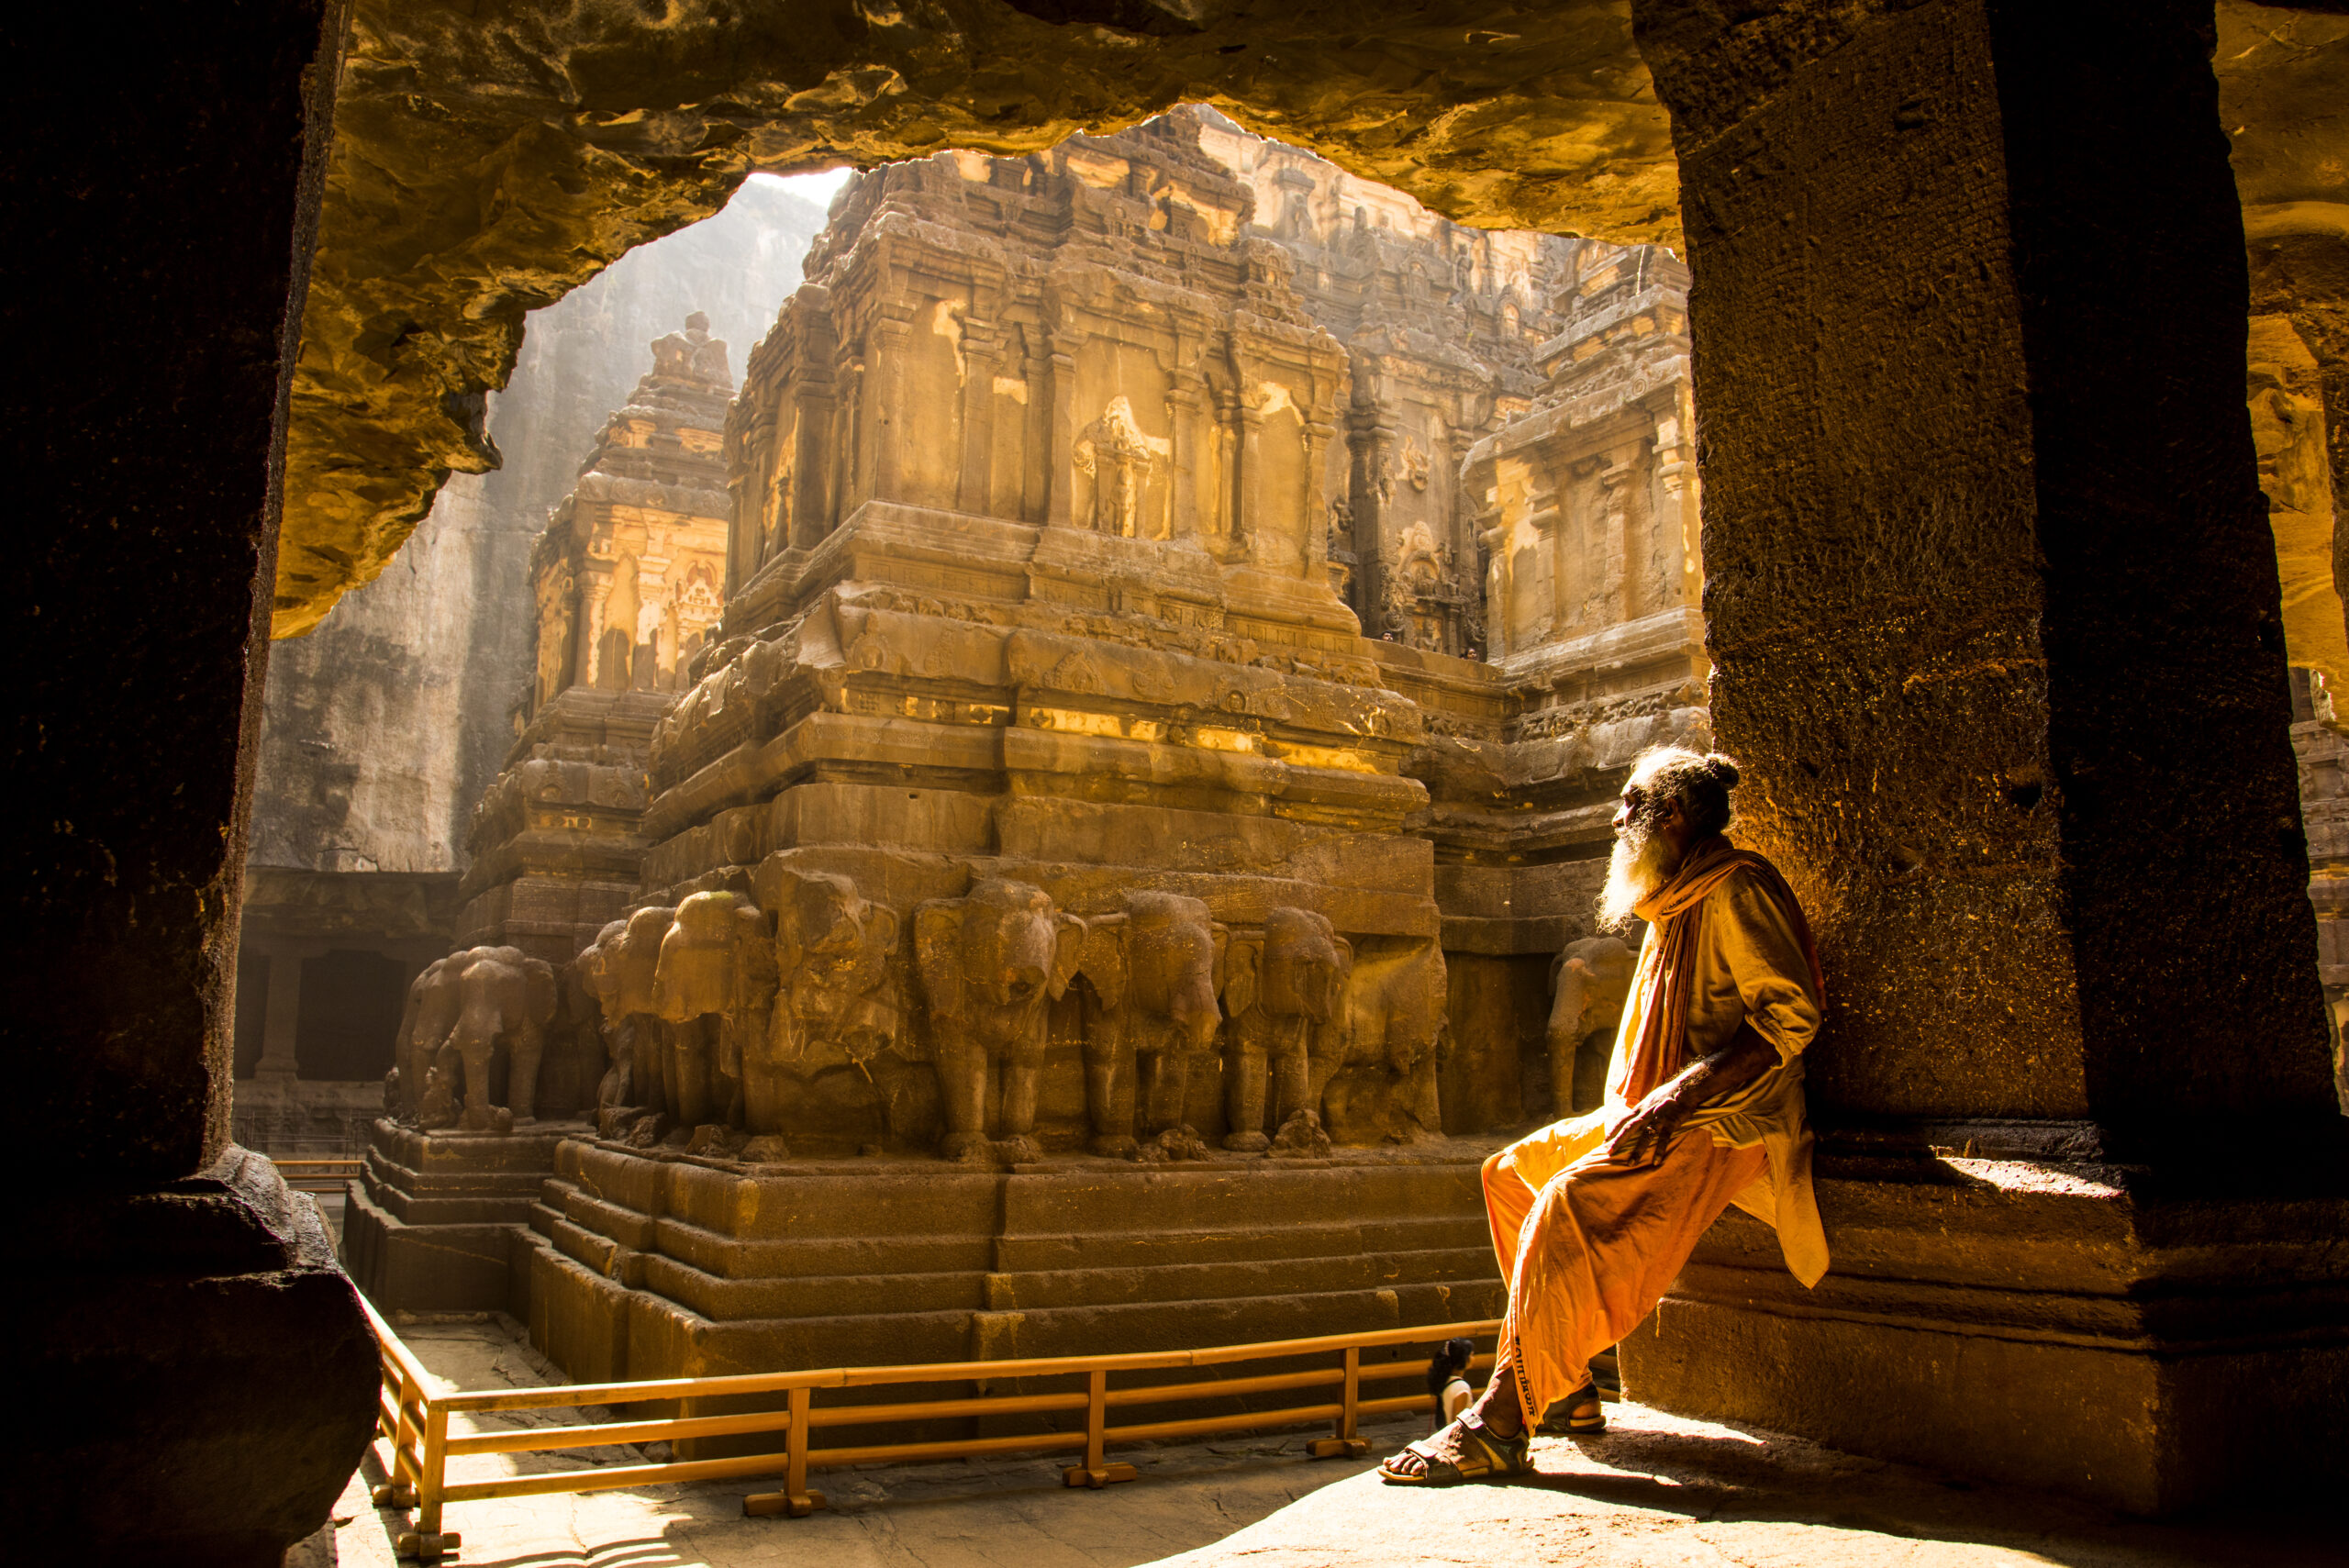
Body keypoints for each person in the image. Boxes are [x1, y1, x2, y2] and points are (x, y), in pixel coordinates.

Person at [1382, 746, 1829, 1485]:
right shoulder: (1673, 896)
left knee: (1564, 1201)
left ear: (1672, 814)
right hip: (1653, 1108)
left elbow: (1790, 1018)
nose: (1617, 818)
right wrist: (1649, 1102)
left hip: (1723, 1119)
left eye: (1630, 803)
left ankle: (1500, 1420)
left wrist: (1674, 1097)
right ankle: (1568, 1385)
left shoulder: (1737, 888)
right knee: (1510, 1174)